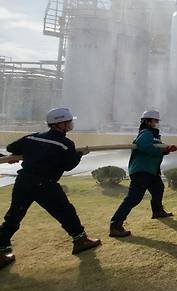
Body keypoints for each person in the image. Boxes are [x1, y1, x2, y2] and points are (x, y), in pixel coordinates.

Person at [0, 107, 101, 270]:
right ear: (61, 123)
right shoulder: (65, 144)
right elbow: (68, 166)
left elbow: (12, 148)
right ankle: (80, 240)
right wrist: (80, 154)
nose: (71, 124)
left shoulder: (32, 138)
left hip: (23, 181)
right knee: (66, 212)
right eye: (69, 121)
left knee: (13, 216)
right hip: (45, 184)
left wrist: (23, 154)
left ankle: (1, 250)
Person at [109, 110, 176, 238]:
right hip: (142, 170)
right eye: (155, 121)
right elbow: (144, 146)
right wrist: (162, 150)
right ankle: (115, 225)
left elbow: (156, 148)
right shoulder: (145, 133)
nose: (156, 123)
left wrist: (166, 150)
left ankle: (157, 211)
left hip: (151, 170)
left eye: (157, 121)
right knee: (134, 198)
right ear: (147, 121)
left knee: (158, 189)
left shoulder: (153, 135)